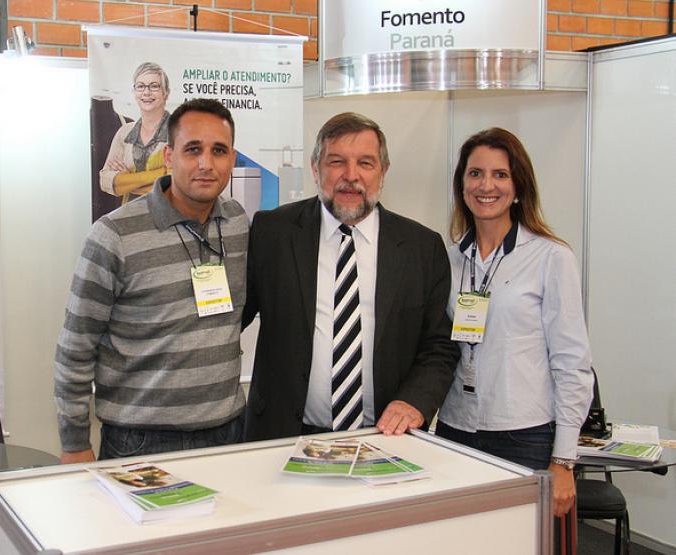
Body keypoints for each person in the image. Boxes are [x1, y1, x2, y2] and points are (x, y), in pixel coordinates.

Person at [242, 112, 459, 442]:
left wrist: (413, 401)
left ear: (383, 172)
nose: (350, 176)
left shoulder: (421, 247)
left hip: (385, 437)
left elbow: (439, 346)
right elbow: (231, 319)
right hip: (283, 437)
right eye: (337, 161)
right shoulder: (273, 233)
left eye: (366, 163)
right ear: (316, 170)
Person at [55, 98, 247, 464]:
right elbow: (76, 347)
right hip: (141, 443)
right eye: (193, 150)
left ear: (232, 160)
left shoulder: (237, 223)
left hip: (229, 434)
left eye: (218, 151)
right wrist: (75, 442)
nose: (206, 163)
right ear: (168, 156)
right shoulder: (113, 235)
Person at [435, 127, 593, 518]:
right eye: (475, 174)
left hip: (523, 436)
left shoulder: (551, 258)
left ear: (519, 186)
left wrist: (564, 460)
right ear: (462, 185)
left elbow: (572, 362)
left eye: (500, 174)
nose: (486, 185)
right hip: (455, 430)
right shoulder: (449, 259)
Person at [100, 62, 172, 205]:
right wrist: (160, 173)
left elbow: (179, 182)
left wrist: (128, 180)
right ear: (134, 92)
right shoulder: (125, 132)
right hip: (129, 217)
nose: (146, 92)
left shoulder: (179, 131)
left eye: (154, 86)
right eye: (140, 86)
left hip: (168, 217)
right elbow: (105, 181)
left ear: (166, 93)